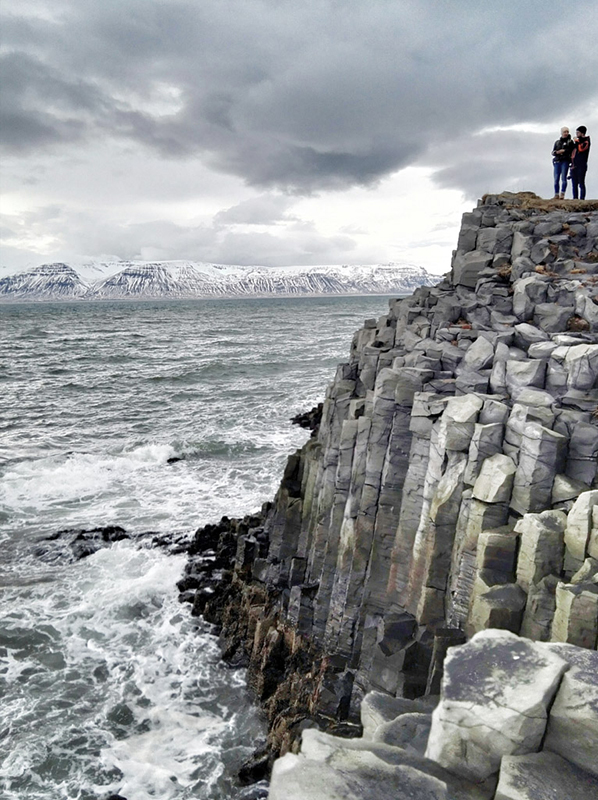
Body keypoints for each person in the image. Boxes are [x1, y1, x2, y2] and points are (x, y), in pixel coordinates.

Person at [552, 126, 575, 198]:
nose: (566, 133)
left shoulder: (570, 142)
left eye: (567, 132)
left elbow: (571, 150)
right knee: (556, 179)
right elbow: (553, 152)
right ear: (561, 133)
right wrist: (557, 152)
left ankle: (562, 193)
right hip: (557, 161)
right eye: (565, 132)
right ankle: (556, 194)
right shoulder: (557, 142)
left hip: (565, 161)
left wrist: (564, 151)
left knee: (563, 178)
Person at [571, 125, 591, 200]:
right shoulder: (576, 142)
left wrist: (576, 142)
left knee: (581, 183)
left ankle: (582, 199)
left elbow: (581, 149)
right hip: (574, 165)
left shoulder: (586, 141)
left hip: (582, 165)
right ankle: (575, 199)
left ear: (582, 133)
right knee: (574, 184)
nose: (576, 134)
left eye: (578, 132)